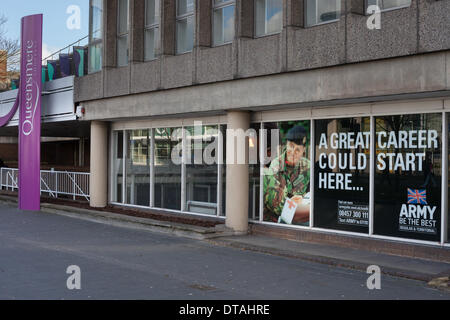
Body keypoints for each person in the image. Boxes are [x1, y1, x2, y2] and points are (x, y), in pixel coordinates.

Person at [263, 125, 310, 225]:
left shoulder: (308, 167)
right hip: (278, 220)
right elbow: (277, 204)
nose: (293, 152)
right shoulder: (276, 166)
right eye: (291, 147)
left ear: (303, 151)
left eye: (298, 150)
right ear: (286, 145)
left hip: (302, 216)